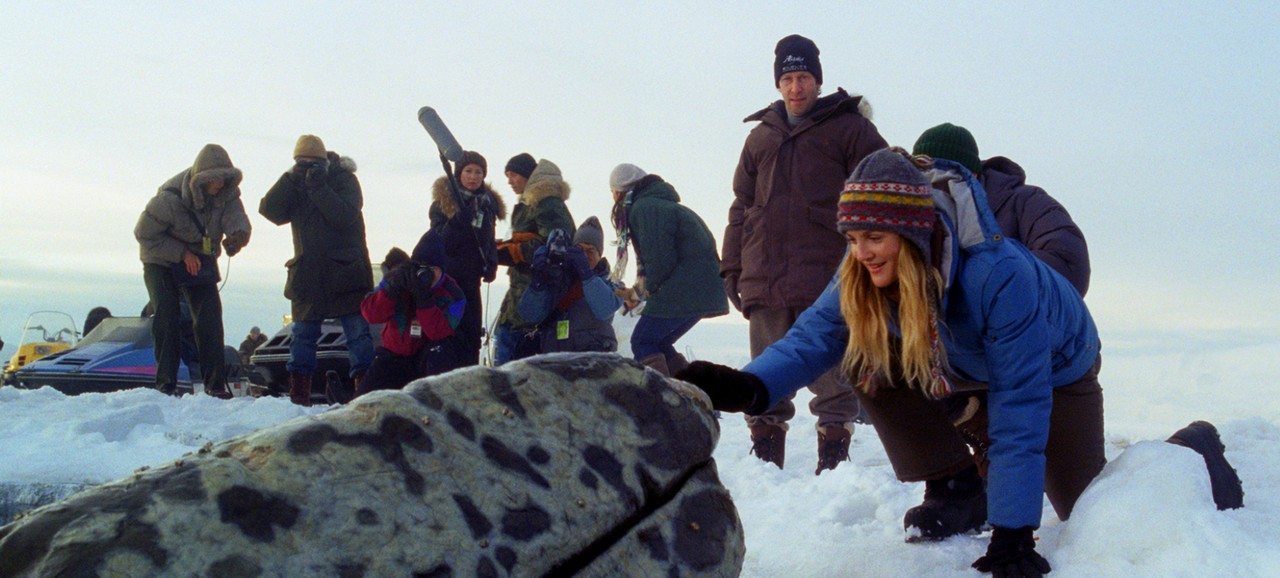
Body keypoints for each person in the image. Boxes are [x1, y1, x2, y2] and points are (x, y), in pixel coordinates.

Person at [677, 149, 1244, 577]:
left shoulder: (997, 276)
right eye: (853, 237)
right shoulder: (862, 271)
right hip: (964, 362)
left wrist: (1015, 533)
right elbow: (813, 339)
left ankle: (1191, 453)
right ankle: (955, 485)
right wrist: (750, 387)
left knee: (1089, 510)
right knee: (868, 359)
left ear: (910, 231)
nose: (862, 251)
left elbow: (1024, 401)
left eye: (874, 236)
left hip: (1057, 368)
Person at [721, 34, 889, 472]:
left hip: (827, 278)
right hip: (765, 274)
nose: (797, 88)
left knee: (833, 378)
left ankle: (834, 467)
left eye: (805, 78)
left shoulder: (851, 129)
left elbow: (882, 192)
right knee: (765, 373)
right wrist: (732, 266)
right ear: (778, 84)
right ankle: (764, 467)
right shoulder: (761, 137)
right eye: (789, 79)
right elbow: (742, 205)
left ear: (818, 81)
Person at [259, 135, 374, 406]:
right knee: (302, 336)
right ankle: (298, 395)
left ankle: (366, 391)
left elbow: (344, 215)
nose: (308, 167)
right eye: (301, 162)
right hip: (308, 274)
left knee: (358, 334)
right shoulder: (295, 183)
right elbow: (270, 211)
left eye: (313, 162)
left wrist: (320, 188)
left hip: (346, 273)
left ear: (325, 160)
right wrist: (290, 179)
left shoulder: (344, 179)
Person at [912, 123, 1090, 296]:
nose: (931, 184)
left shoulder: (1025, 201)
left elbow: (1069, 265)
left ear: (972, 173)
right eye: (919, 174)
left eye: (940, 175)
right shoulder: (912, 213)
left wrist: (981, 280)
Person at [134, 143, 251, 398]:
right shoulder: (168, 199)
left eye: (225, 178)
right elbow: (143, 233)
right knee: (168, 315)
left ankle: (216, 385)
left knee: (209, 316)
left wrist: (237, 236)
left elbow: (236, 217)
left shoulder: (227, 194)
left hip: (200, 256)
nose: (220, 184)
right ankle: (166, 384)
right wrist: (181, 253)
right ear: (202, 180)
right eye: (215, 179)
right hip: (160, 259)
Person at [610, 164, 727, 376]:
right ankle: (689, 396)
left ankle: (661, 400)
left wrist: (643, 292)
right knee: (659, 342)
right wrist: (637, 293)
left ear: (619, 191)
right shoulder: (661, 205)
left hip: (686, 286)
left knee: (642, 341)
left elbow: (659, 261)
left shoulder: (645, 208)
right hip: (702, 288)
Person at [357, 232, 466, 397]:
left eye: (431, 270)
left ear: (441, 270)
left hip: (427, 360)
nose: (424, 275)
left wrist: (424, 299)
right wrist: (393, 288)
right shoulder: (396, 279)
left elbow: (438, 332)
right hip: (393, 358)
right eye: (420, 268)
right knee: (365, 396)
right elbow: (371, 314)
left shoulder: (454, 295)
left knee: (440, 352)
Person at [493, 158, 574, 364]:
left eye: (513, 175)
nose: (510, 181)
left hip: (534, 294)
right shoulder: (532, 203)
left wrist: (511, 251)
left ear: (528, 176)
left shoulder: (546, 202)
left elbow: (555, 245)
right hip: (522, 292)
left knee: (511, 363)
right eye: (507, 176)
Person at [429, 150, 506, 367]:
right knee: (450, 333)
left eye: (478, 172)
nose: (473, 176)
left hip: (472, 280)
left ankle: (470, 378)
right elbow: (438, 241)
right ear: (458, 173)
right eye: (468, 171)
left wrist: (491, 262)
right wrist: (457, 222)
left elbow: (488, 238)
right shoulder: (443, 203)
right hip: (448, 281)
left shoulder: (486, 205)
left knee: (472, 334)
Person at [518, 217, 623, 354]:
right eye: (579, 250)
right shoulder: (558, 280)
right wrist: (539, 281)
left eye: (590, 251)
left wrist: (586, 274)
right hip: (555, 360)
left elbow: (604, 309)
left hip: (592, 363)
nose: (584, 256)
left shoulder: (612, 283)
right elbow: (529, 314)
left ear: (600, 255)